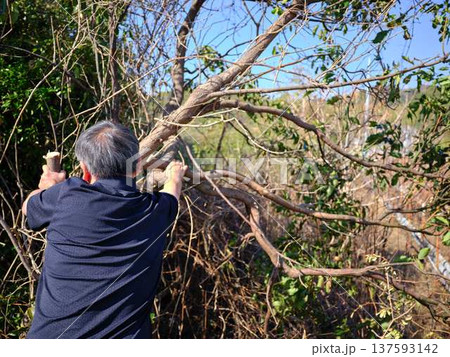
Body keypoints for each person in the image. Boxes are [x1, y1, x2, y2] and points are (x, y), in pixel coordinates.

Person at [22, 120, 187, 338]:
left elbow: (27, 208)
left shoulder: (65, 194)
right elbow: (171, 192)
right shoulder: (154, 210)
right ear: (137, 166)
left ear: (85, 169)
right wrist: (175, 176)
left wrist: (46, 188)